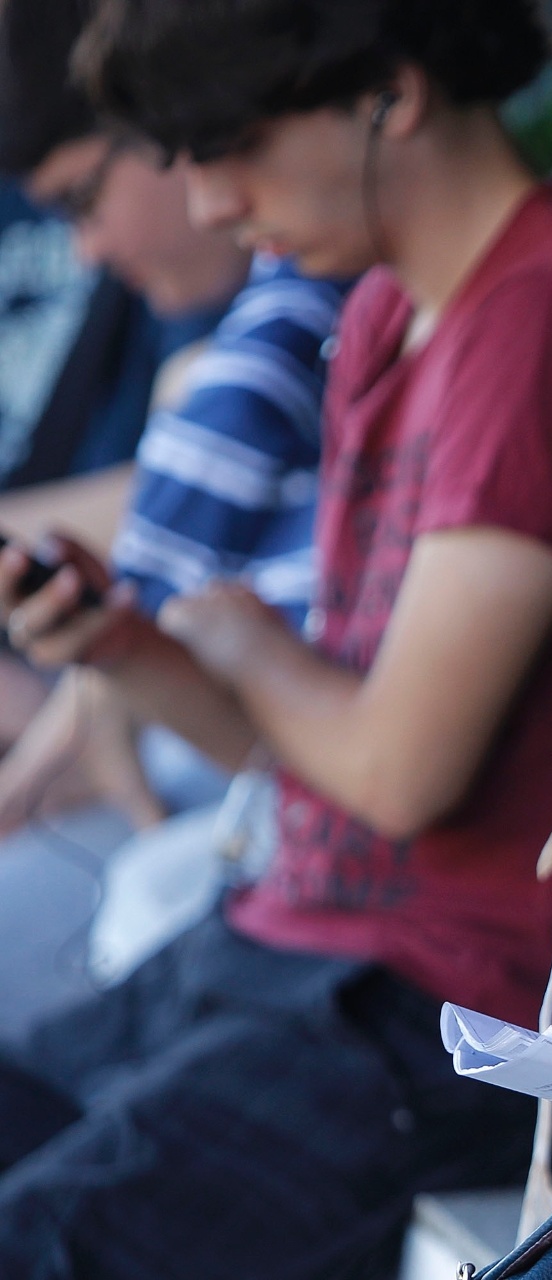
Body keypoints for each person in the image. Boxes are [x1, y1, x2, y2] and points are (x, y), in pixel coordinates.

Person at [0, 0, 552, 1271]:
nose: (212, 200)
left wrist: (246, 640)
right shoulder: (389, 314)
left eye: (232, 144)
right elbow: (301, 754)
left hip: (463, 1015)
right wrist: (121, 644)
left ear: (391, 95)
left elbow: (401, 773)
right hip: (287, 948)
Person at [0, 0, 345, 1038]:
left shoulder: (273, 326)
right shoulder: (266, 317)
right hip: (254, 808)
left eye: (217, 147)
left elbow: (376, 789)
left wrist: (43, 765)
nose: (214, 199)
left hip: (300, 858)